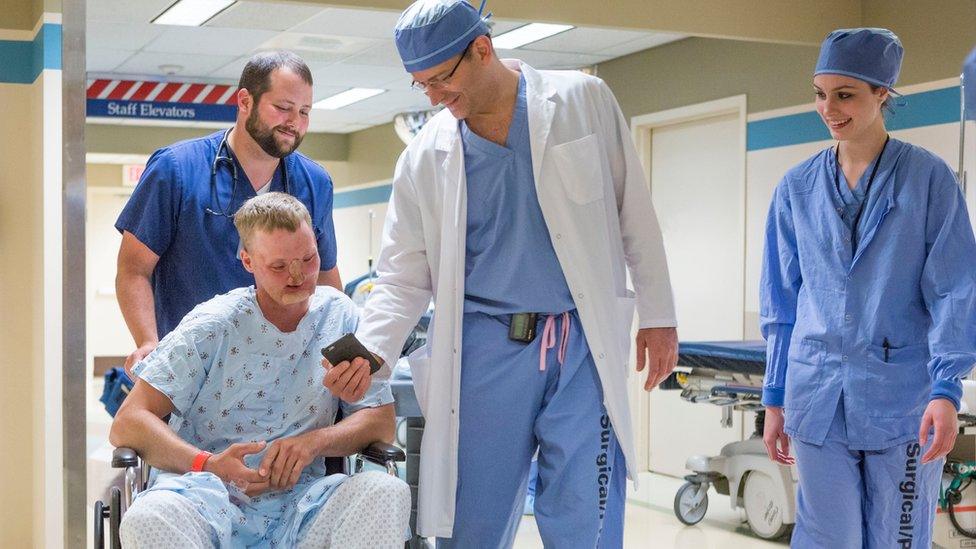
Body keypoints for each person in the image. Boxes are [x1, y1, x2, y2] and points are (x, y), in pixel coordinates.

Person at [337, 1, 678, 546]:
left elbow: (633, 210)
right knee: (474, 516)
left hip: (582, 344)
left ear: (482, 49)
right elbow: (401, 276)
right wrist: (372, 350)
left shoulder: (581, 100)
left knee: (586, 514)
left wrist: (659, 316)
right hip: (486, 349)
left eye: (440, 80)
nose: (433, 98)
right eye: (419, 85)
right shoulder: (425, 157)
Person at [760, 28, 976, 547]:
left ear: (883, 93)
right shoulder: (796, 188)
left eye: (845, 94)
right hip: (815, 395)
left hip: (902, 401)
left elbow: (955, 290)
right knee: (825, 537)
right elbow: (781, 302)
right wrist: (773, 397)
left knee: (897, 537)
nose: (828, 108)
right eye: (820, 93)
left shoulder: (928, 180)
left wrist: (948, 389)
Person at [110, 192, 409, 548]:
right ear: (248, 261)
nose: (297, 276)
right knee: (148, 518)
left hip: (304, 503)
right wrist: (209, 463)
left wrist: (313, 444)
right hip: (204, 495)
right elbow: (129, 421)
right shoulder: (211, 325)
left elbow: (381, 421)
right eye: (279, 266)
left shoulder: (340, 316)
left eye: (308, 259)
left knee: (386, 490)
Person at [115, 50, 342, 375]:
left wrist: (343, 351)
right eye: (283, 108)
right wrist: (149, 342)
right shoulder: (176, 170)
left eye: (305, 112)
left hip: (283, 372)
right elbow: (133, 269)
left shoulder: (314, 182)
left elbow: (326, 280)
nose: (295, 122)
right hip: (191, 368)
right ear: (245, 101)